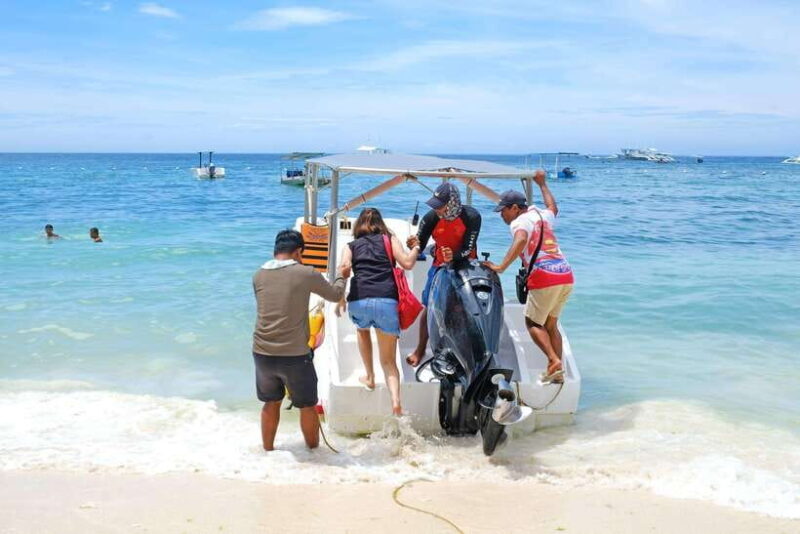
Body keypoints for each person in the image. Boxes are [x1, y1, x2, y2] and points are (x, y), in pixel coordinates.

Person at [252, 229, 350, 451]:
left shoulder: (258, 274)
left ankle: (267, 451)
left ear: (275, 251)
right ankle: (314, 454)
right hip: (294, 355)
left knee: (271, 401)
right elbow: (335, 295)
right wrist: (342, 275)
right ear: (298, 252)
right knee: (307, 405)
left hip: (262, 352)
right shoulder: (306, 272)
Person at [483, 170, 574, 384]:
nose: (501, 215)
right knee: (551, 325)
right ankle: (556, 372)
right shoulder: (541, 215)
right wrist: (542, 183)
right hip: (565, 274)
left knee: (532, 323)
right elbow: (553, 207)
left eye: (503, 210)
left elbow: (521, 239)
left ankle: (554, 361)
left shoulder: (520, 222)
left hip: (544, 276)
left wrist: (501, 266)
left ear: (515, 208)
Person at [335, 208, 420, 416]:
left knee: (362, 330)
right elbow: (407, 263)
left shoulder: (350, 245)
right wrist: (416, 247)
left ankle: (370, 377)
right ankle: (396, 402)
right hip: (386, 300)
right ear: (380, 224)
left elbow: (343, 269)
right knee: (389, 361)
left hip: (359, 299)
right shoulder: (389, 239)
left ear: (358, 227)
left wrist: (340, 298)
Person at [404, 182, 481, 366]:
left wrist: (453, 256)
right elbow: (420, 245)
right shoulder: (431, 217)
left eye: (440, 205)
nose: (437, 209)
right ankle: (421, 348)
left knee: (462, 309)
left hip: (465, 265)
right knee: (430, 307)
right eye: (435, 205)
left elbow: (467, 248)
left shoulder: (472, 216)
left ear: (453, 202)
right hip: (439, 266)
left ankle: (465, 350)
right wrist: (413, 244)